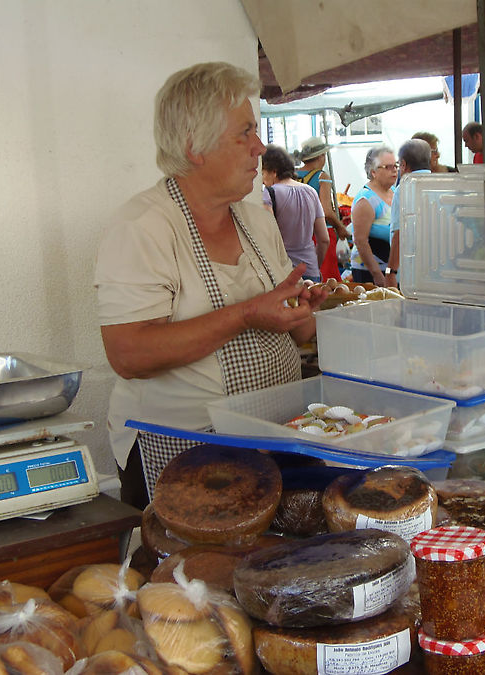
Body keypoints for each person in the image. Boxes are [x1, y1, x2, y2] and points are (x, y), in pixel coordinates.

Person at [94, 62, 328, 504]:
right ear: (193, 146)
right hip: (188, 451)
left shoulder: (256, 220)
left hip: (276, 435)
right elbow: (129, 354)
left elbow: (298, 331)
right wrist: (245, 314)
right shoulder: (143, 227)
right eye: (245, 133)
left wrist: (304, 313)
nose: (260, 147)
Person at [261, 144, 329, 282]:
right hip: (310, 270)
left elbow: (268, 238)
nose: (262, 179)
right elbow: (324, 240)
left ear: (273, 172)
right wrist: (316, 266)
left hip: (283, 273)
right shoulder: (311, 192)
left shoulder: (269, 194)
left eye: (263, 173)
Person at [295, 137, 349, 282]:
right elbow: (325, 210)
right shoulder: (322, 176)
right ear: (321, 156)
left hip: (297, 234)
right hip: (321, 233)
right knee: (327, 279)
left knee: (304, 279)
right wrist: (340, 227)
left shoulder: (292, 176)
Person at [386, 139, 432, 288]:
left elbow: (399, 234)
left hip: (410, 274)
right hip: (435, 273)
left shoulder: (404, 188)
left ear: (404, 164)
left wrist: (390, 272)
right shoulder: (438, 183)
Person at [349, 146, 397, 285]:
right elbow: (360, 241)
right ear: (373, 172)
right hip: (369, 272)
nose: (394, 170)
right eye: (388, 167)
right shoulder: (366, 200)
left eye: (395, 165)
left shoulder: (393, 191)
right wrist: (377, 275)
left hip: (390, 269)